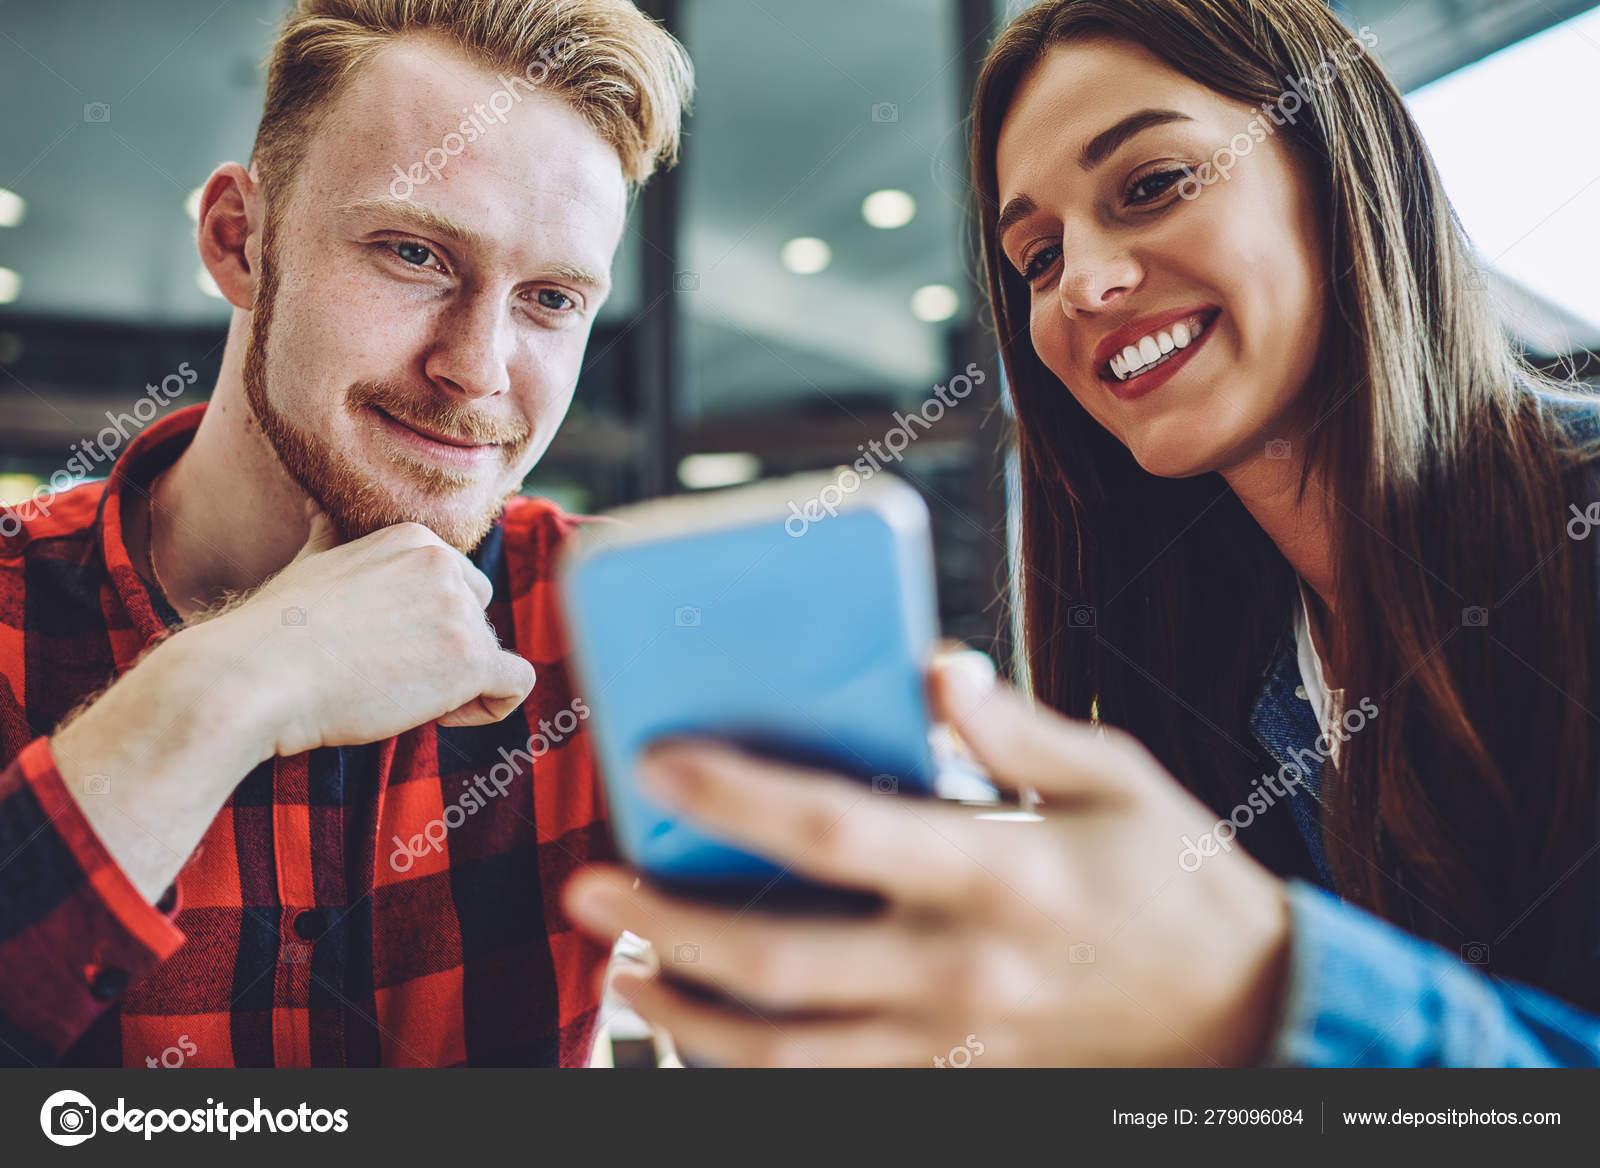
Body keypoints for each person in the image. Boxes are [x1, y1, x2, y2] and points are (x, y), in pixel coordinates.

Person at [563, 0, 1600, 1066]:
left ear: (1342, 170)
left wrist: (1261, 991)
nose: (1086, 286)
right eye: (1039, 257)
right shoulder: (1208, 653)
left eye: (1152, 185)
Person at [0, 0, 691, 1067]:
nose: (477, 368)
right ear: (239, 239)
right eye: (414, 252)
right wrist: (223, 690)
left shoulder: (622, 618)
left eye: (550, 298)